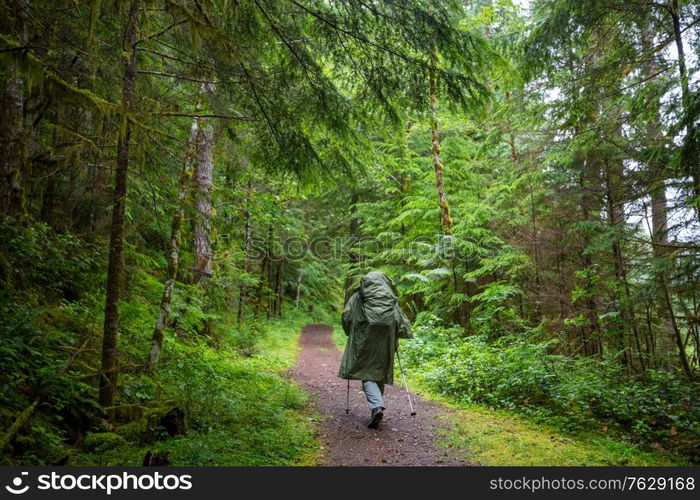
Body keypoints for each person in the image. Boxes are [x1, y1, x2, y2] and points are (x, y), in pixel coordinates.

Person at [338, 271, 412, 428]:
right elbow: (400, 320)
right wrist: (397, 336)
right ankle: (376, 409)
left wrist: (350, 333)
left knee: (366, 372)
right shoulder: (390, 300)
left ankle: (376, 407)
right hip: (385, 341)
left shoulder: (359, 297)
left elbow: (346, 316)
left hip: (363, 340)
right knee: (378, 371)